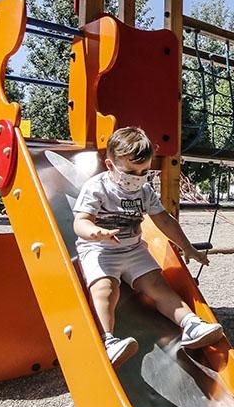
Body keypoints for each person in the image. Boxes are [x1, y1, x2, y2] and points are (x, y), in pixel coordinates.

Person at [73, 126, 223, 367]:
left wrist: (187, 247)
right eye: (131, 171)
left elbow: (164, 220)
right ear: (111, 166)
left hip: (133, 250)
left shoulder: (144, 190)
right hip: (100, 250)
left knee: (158, 286)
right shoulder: (97, 187)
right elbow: (80, 223)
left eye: (144, 171)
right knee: (105, 289)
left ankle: (190, 324)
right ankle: (107, 340)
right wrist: (97, 233)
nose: (138, 176)